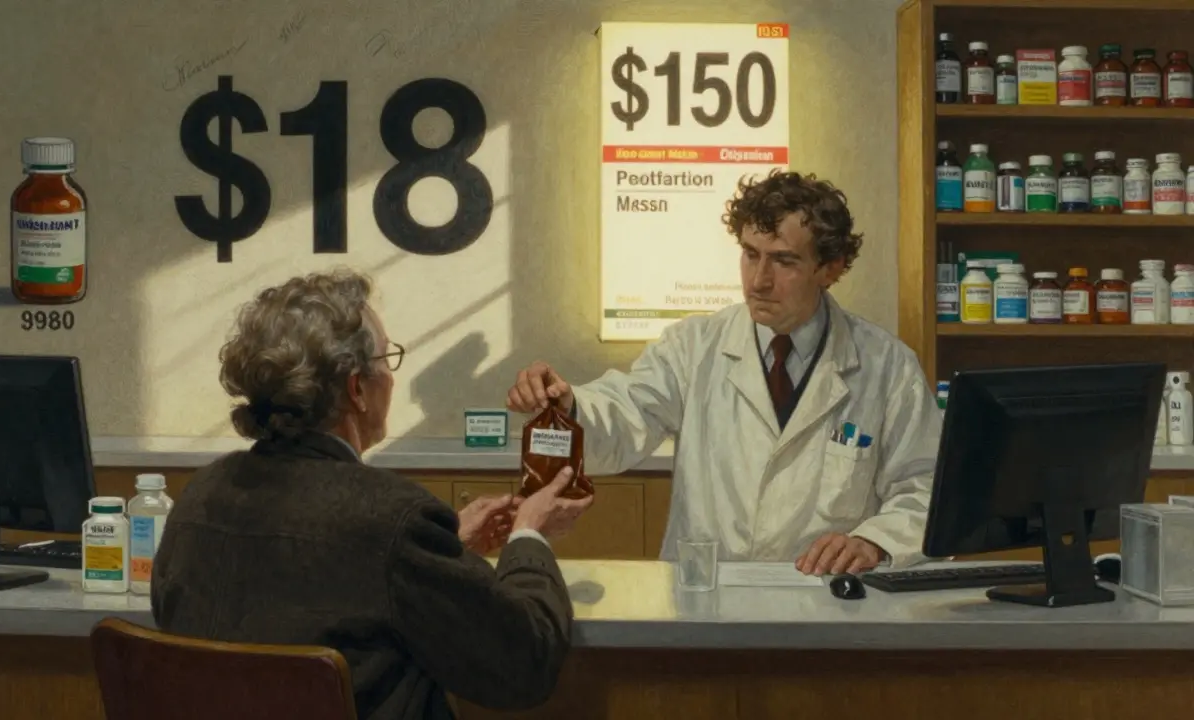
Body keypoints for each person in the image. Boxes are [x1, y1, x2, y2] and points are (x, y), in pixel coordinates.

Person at [151, 269, 594, 720]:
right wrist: (528, 535)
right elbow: (523, 663)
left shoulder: (199, 496)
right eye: (387, 359)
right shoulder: (393, 519)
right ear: (357, 388)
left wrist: (446, 548)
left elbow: (310, 589)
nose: (392, 378)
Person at [506, 170, 940, 576]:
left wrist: (873, 542)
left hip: (827, 604)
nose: (758, 281)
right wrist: (569, 406)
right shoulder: (694, 347)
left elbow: (924, 486)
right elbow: (626, 416)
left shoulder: (887, 366)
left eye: (784, 261)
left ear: (831, 268)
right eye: (751, 255)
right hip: (706, 601)